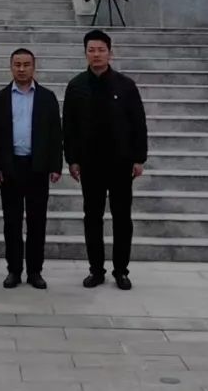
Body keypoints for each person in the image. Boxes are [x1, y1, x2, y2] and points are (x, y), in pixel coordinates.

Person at [62, 28, 148, 290]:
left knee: (122, 217)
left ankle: (121, 270)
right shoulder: (76, 86)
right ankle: (96, 270)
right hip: (90, 164)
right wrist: (72, 160)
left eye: (101, 50)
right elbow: (69, 127)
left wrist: (139, 158)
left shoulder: (125, 85)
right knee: (92, 217)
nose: (96, 54)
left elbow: (138, 123)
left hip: (121, 163)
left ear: (110, 53)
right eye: (91, 50)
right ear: (85, 53)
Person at [0, 47, 62, 289]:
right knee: (12, 222)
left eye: (26, 64)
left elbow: (55, 134)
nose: (21, 69)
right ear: (11, 67)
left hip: (37, 167)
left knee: (37, 222)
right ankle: (14, 270)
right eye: (17, 64)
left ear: (34, 66)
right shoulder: (0, 98)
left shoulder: (47, 97)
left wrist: (55, 165)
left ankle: (35, 271)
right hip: (10, 167)